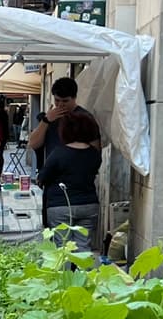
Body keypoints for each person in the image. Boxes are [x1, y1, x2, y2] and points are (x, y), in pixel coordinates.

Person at [39, 108, 105, 254]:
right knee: (83, 248)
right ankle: (84, 275)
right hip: (89, 205)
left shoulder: (58, 153)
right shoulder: (94, 155)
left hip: (60, 205)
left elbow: (42, 178)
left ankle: (64, 276)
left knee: (62, 249)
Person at [27, 76, 92, 169]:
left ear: (74, 98)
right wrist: (45, 121)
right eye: (57, 100)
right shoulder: (50, 117)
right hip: (53, 175)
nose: (60, 104)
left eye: (65, 101)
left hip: (76, 174)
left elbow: (94, 149)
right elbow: (33, 144)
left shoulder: (85, 118)